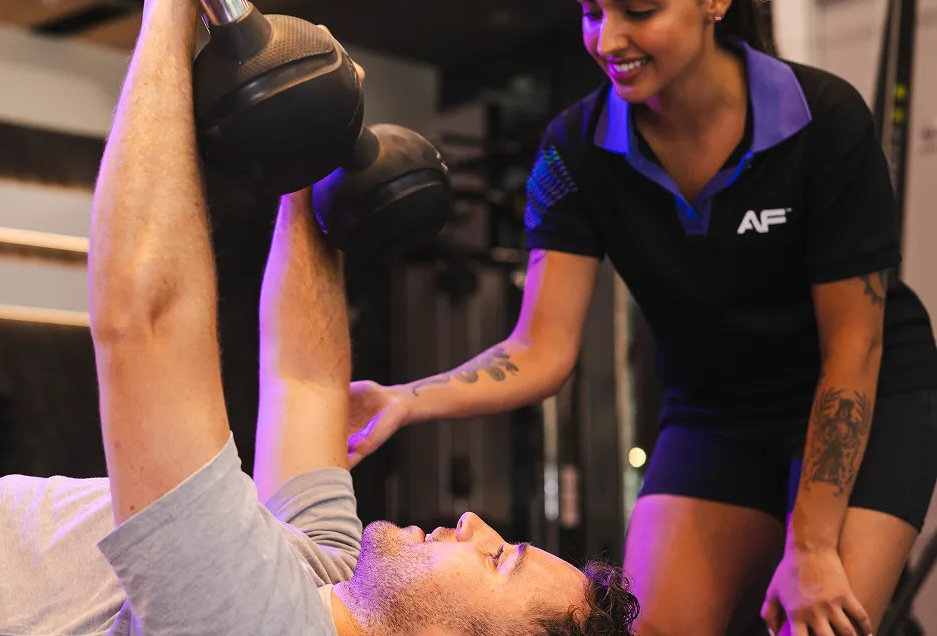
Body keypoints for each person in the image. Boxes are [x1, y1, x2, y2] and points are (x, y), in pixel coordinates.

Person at [0, 1, 641, 634]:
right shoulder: (317, 572)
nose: (475, 524)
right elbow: (301, 377)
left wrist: (171, 18)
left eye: (502, 559)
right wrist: (311, 179)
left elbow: (142, 318)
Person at [344, 0, 937, 635]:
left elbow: (853, 346)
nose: (610, 38)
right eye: (593, 12)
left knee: (818, 625)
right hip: (716, 413)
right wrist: (405, 400)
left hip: (862, 394)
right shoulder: (571, 151)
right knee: (647, 629)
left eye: (640, 10)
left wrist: (812, 547)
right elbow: (539, 347)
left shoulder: (825, 119)